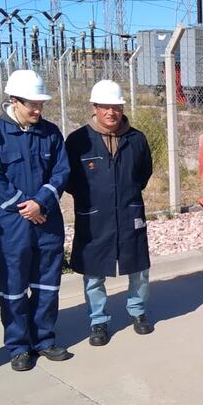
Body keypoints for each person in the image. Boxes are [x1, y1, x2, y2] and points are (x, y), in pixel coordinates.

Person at [0, 69, 71, 372]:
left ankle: (43, 339)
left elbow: (61, 171)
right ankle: (19, 346)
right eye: (31, 104)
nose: (37, 110)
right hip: (11, 224)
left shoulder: (51, 132)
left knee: (47, 285)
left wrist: (40, 202)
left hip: (47, 220)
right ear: (13, 100)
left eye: (40, 104)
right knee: (13, 288)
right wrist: (24, 206)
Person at [65, 80, 154, 347]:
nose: (111, 113)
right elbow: (69, 179)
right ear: (95, 107)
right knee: (94, 273)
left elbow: (144, 173)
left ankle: (138, 312)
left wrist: (124, 193)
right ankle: (98, 321)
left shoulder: (136, 139)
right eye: (105, 107)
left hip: (130, 213)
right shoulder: (78, 140)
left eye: (116, 107)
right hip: (94, 216)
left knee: (139, 268)